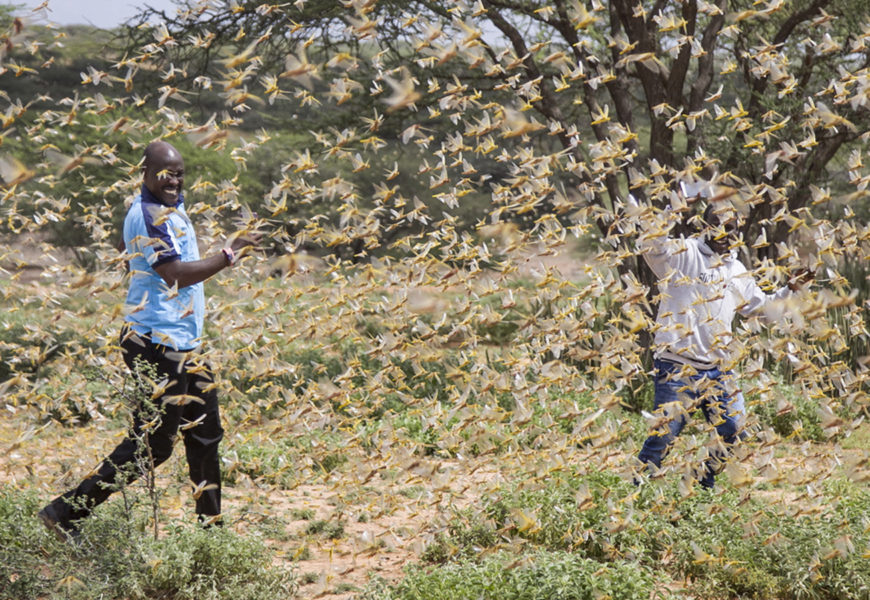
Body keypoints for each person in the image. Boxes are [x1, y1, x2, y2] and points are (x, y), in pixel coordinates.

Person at [39, 140, 258, 538]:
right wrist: (228, 254)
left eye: (179, 173)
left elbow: (124, 248)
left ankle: (211, 531)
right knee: (154, 444)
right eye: (166, 172)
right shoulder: (149, 214)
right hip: (155, 343)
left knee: (206, 433)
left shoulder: (166, 208)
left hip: (183, 343)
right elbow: (174, 273)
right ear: (146, 173)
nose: (174, 179)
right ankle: (64, 513)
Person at [633, 181, 810, 489]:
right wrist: (674, 204)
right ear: (705, 225)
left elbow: (762, 307)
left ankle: (702, 482)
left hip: (717, 369)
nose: (724, 234)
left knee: (736, 431)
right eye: (718, 226)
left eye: (731, 228)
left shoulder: (736, 269)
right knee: (664, 436)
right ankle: (636, 497)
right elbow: (652, 244)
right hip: (676, 367)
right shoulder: (684, 254)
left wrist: (791, 289)